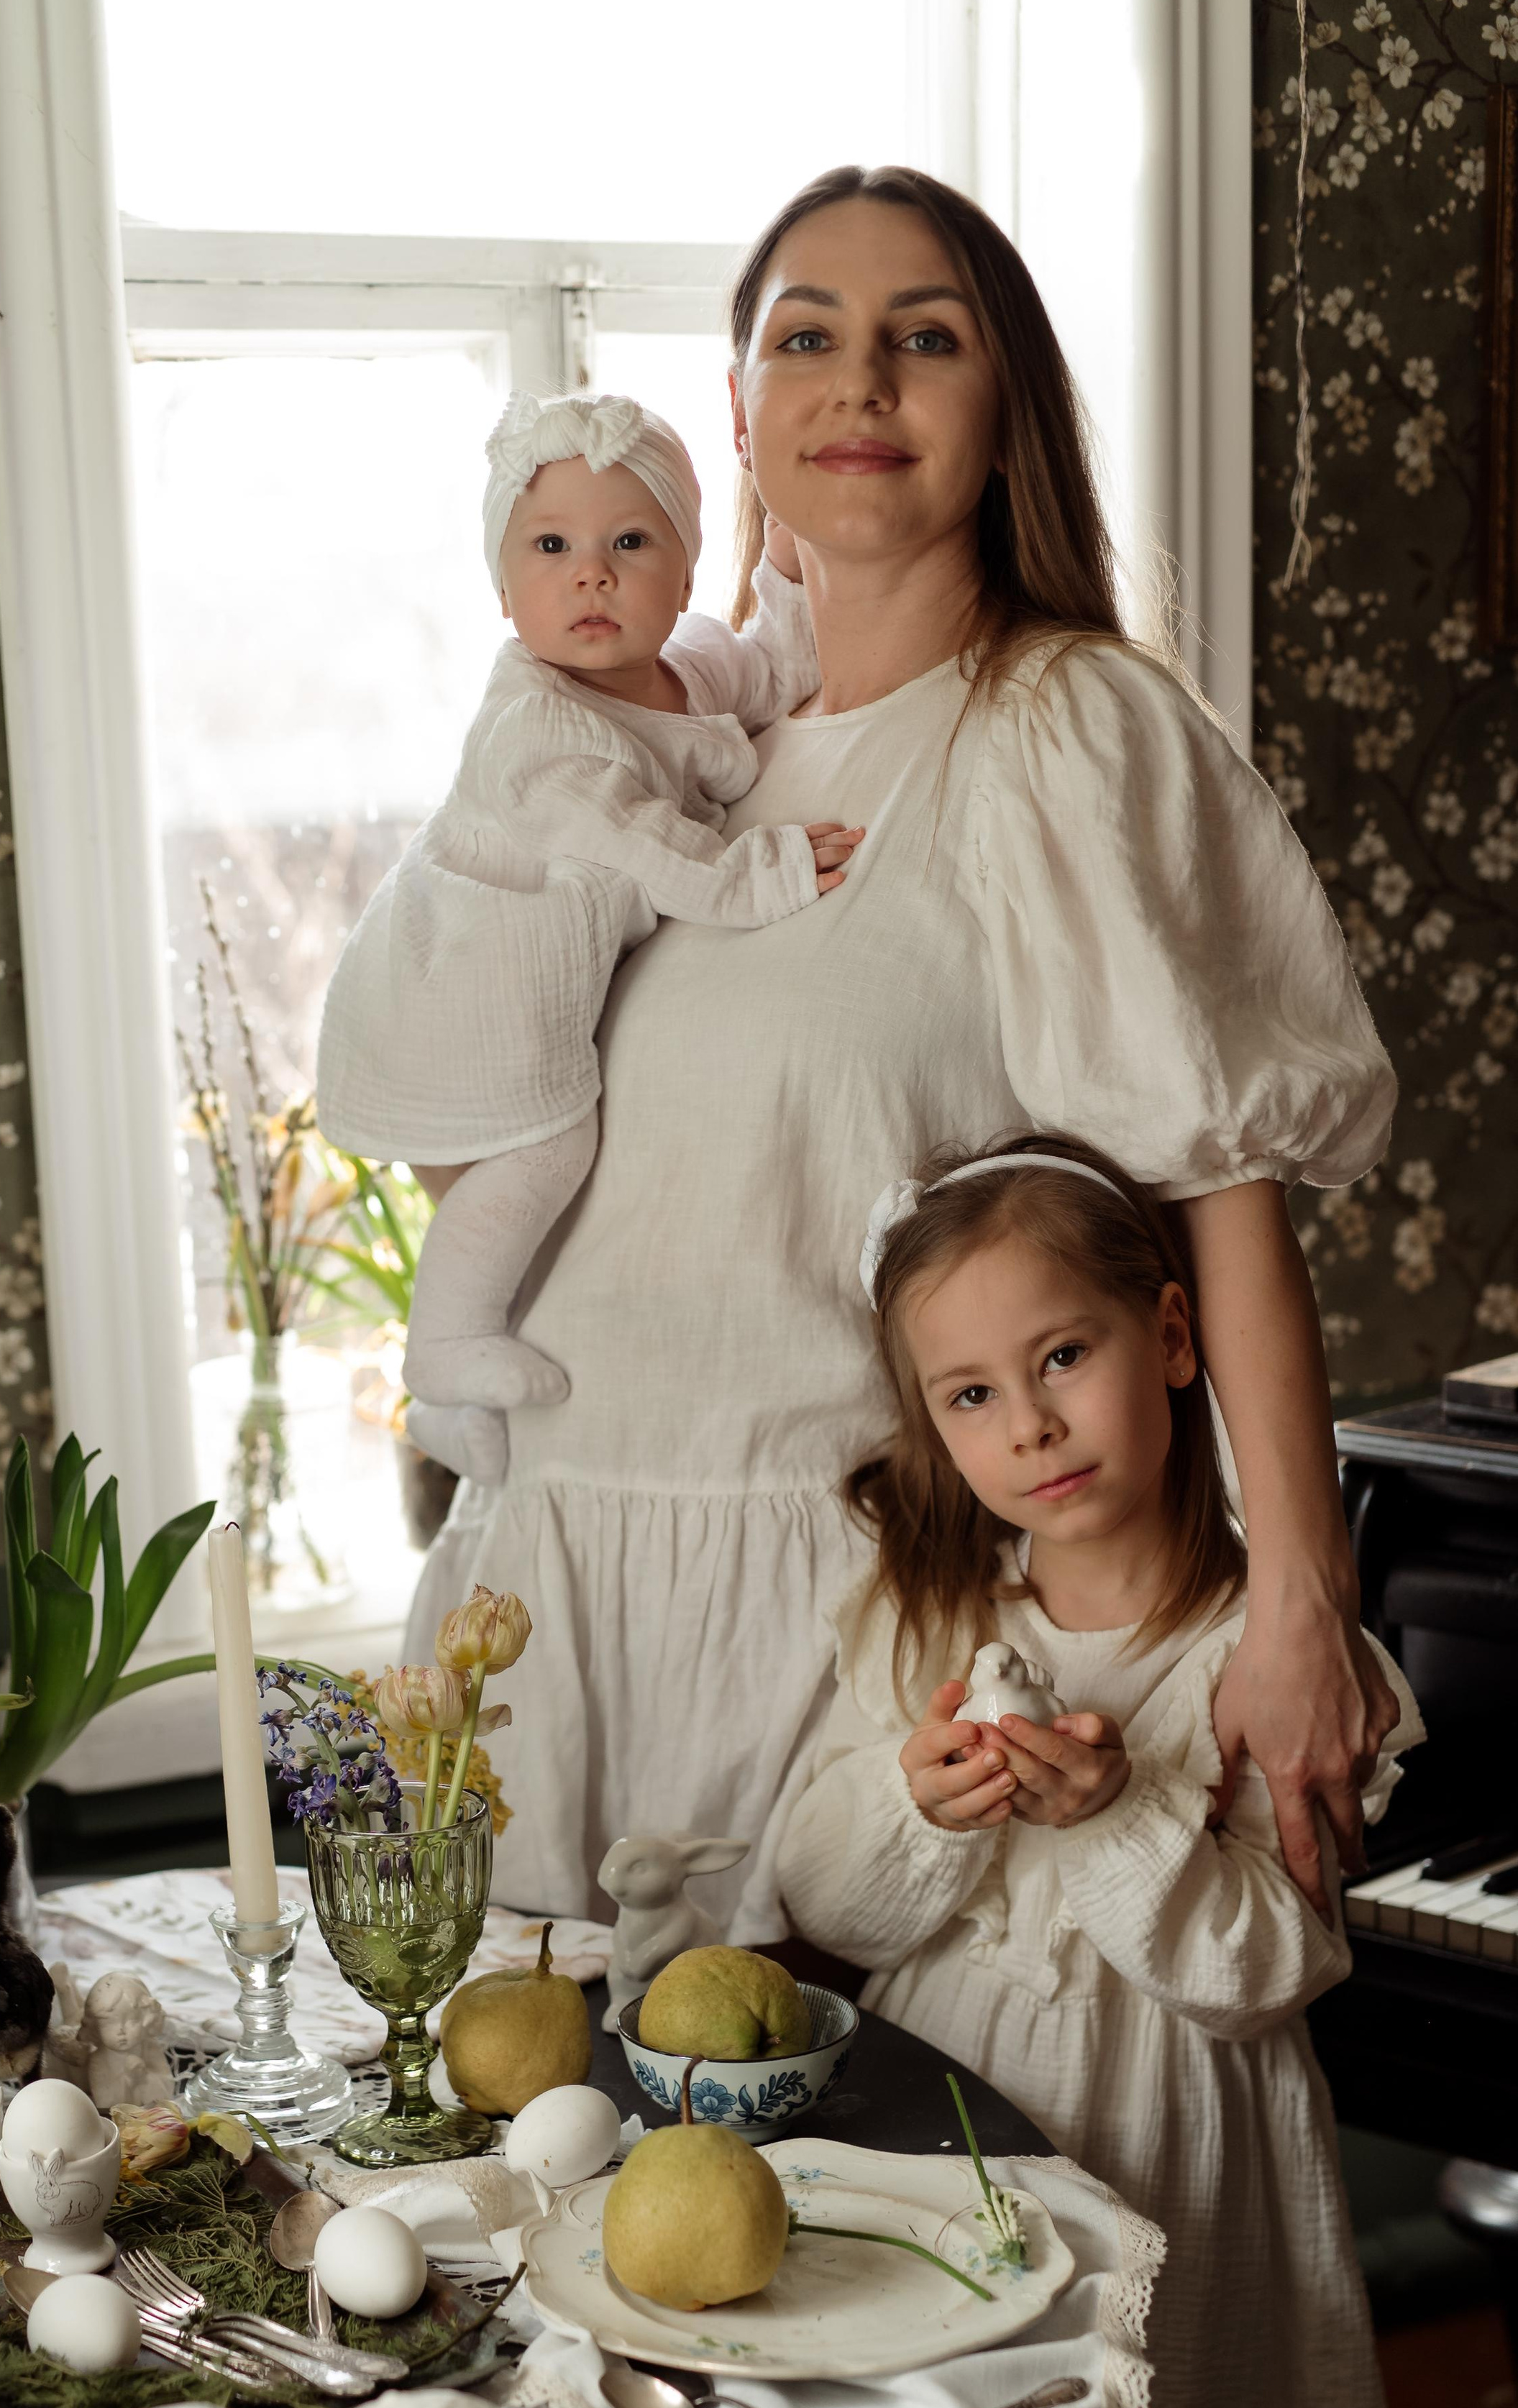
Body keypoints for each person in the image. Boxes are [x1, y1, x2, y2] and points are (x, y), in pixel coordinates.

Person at [324, 164, 1399, 1938]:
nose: (861, 383)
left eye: (925, 336)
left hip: (849, 1637)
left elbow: (1219, 1183)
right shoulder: (664, 747)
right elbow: (493, 1126)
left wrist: (1296, 1598)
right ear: (736, 417)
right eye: (803, 337)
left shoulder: (1059, 726)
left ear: (1006, 408)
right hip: (546, 1593)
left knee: (817, 2183)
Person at [777, 1134, 1418, 2408]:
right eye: (970, 1395)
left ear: (1175, 1337)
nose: (1031, 1424)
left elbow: (1271, 1968)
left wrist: (1117, 1821)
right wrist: (923, 1808)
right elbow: (825, 1902)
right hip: (953, 2139)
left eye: (1063, 1354)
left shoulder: (1267, 1661)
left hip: (1185, 2164)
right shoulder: (921, 1619)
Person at [317, 389, 859, 1487]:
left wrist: (793, 569)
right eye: (552, 546)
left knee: (538, 1232)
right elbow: (662, 853)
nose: (592, 575)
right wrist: (777, 865)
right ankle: (444, 1351)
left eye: (630, 543)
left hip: (508, 976)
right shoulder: (540, 737)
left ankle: (453, 1418)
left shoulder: (685, 670)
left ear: (684, 567)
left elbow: (777, 667)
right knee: (543, 1155)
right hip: (454, 989)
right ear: (505, 587)